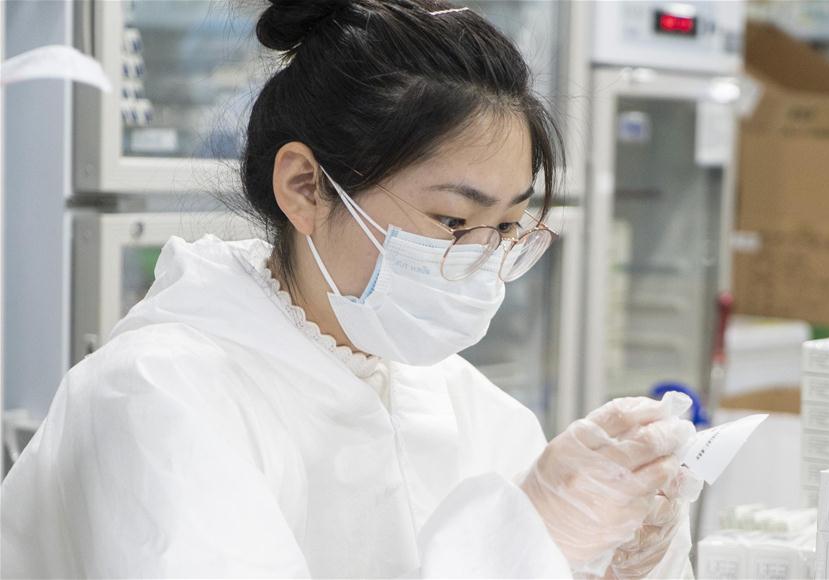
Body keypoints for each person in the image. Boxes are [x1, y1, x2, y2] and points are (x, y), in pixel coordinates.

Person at [1, 1, 701, 577]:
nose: (482, 263)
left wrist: (621, 557)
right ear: (305, 188)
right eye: (453, 221)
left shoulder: (453, 398)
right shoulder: (158, 391)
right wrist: (522, 549)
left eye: (507, 226)